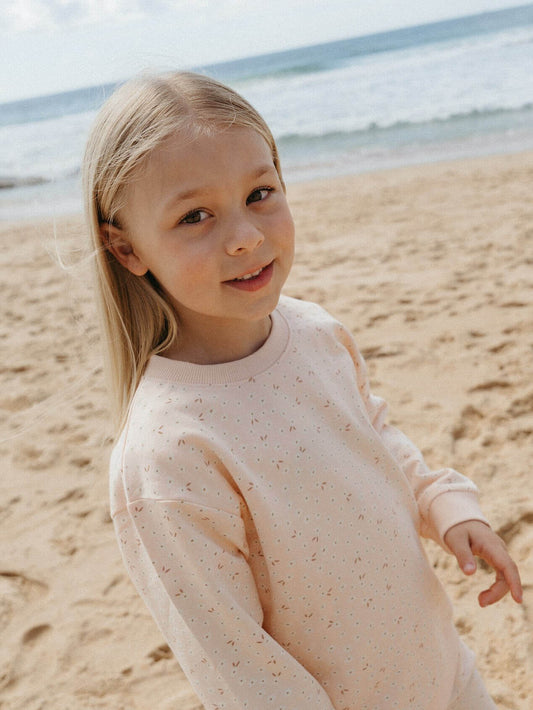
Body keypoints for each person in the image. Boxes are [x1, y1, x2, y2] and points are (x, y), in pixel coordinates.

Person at [83, 72, 522, 710]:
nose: (245, 236)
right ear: (126, 249)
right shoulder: (166, 454)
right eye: (194, 215)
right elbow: (241, 669)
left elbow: (373, 437)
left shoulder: (314, 331)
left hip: (448, 678)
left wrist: (446, 504)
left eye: (260, 192)